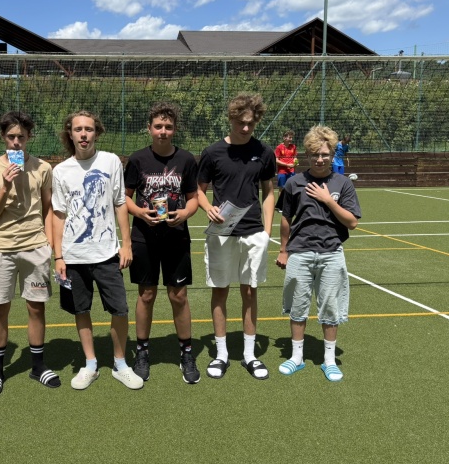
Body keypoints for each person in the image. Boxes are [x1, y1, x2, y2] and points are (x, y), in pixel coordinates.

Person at [52, 110, 144, 390]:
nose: (84, 134)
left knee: (120, 309)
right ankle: (90, 364)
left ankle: (120, 364)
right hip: (73, 256)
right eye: (78, 129)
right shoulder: (60, 171)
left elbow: (120, 203)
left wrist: (126, 244)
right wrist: (59, 256)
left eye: (89, 129)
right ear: (70, 134)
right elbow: (59, 215)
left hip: (106, 254)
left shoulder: (110, 161)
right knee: (81, 310)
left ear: (97, 133)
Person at [0, 112, 59, 396]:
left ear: (28, 138)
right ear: (3, 137)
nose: (16, 142)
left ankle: (38, 366)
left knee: (36, 307)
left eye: (21, 137)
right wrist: (6, 186)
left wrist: (49, 244)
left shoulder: (43, 168)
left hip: (35, 246)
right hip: (1, 247)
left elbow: (48, 208)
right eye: (11, 137)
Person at [197, 93, 276, 380]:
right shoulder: (212, 152)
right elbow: (199, 190)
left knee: (250, 292)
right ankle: (221, 355)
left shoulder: (264, 152)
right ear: (231, 119)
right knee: (220, 290)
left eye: (251, 123)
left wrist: (267, 232)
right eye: (241, 122)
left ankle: (249, 355)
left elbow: (269, 192)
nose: (245, 128)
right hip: (221, 233)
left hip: (253, 233)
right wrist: (208, 208)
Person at [275, 125, 361, 382]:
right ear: (307, 154)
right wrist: (283, 250)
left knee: (330, 307)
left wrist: (328, 200)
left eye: (325, 154)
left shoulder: (342, 183)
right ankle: (296, 357)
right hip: (300, 253)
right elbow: (286, 219)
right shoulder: (294, 182)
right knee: (298, 306)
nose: (320, 159)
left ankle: (329, 360)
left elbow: (352, 222)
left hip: (331, 253)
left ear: (332, 154)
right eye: (315, 154)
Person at [124, 102, 201, 384]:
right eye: (158, 126)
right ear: (149, 129)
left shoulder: (187, 160)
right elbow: (124, 198)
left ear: (175, 129)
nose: (163, 131)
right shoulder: (137, 159)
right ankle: (142, 351)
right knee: (146, 294)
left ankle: (187, 352)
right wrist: (139, 212)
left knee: (178, 295)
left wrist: (185, 213)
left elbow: (193, 199)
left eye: (168, 126)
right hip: (144, 237)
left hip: (176, 236)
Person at [275, 130, 297, 200]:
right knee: (282, 188)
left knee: (292, 187)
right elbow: (276, 160)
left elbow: (295, 157)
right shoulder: (279, 147)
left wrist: (295, 162)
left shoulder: (293, 147)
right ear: (284, 138)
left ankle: (291, 203)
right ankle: (280, 204)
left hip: (291, 171)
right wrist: (287, 165)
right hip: (282, 171)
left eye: (292, 137)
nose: (291, 139)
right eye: (289, 137)